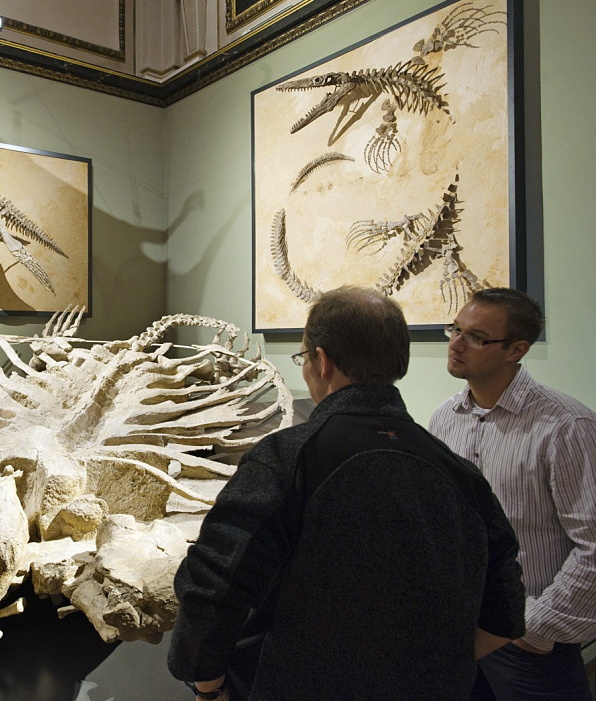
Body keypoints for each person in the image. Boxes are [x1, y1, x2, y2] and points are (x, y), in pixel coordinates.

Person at [168, 286, 526, 701]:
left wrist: (209, 689)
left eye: (303, 357)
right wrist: (431, 667)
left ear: (321, 362)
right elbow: (505, 610)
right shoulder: (457, 471)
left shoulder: (287, 458)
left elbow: (212, 588)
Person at [430, 287, 596, 701]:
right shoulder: (445, 418)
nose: (455, 344)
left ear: (516, 350)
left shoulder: (570, 429)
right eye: (454, 329)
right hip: (461, 637)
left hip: (529, 647)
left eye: (474, 337)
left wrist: (530, 628)